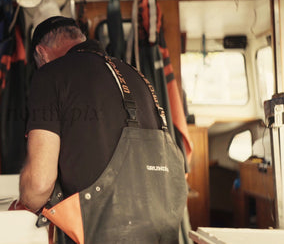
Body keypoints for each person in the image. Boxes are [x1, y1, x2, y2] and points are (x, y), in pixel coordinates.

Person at [19, 16, 187, 244]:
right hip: (164, 230)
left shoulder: (49, 75)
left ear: (41, 53)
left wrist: (23, 205)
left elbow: (38, 185)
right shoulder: (136, 75)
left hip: (102, 233)